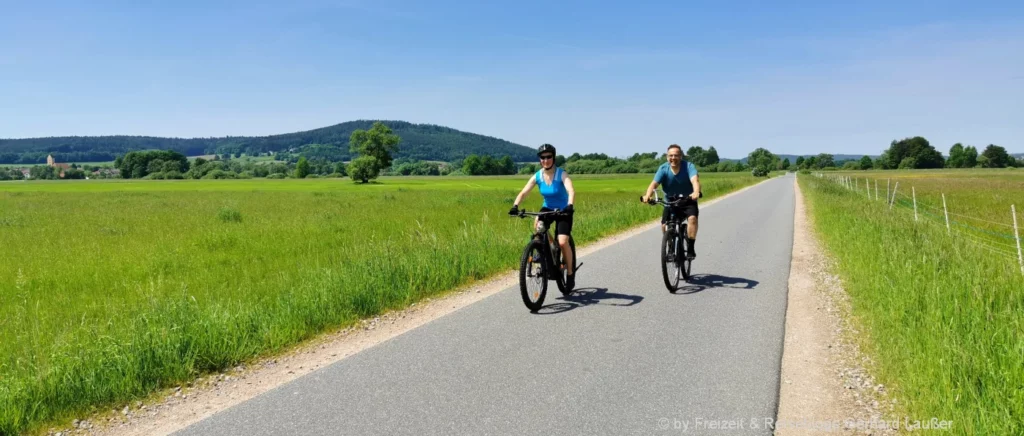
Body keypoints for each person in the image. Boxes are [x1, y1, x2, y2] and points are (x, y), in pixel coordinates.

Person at [509, 144, 577, 289]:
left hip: (564, 210)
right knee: (538, 226)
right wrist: (515, 206)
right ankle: (545, 248)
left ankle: (570, 273)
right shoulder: (538, 176)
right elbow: (524, 192)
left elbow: (571, 190)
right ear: (540, 160)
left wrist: (570, 205)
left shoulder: (561, 174)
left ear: (553, 158)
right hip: (548, 208)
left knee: (563, 242)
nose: (546, 160)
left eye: (548, 157)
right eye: (543, 157)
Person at [642, 144, 702, 259]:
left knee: (692, 219)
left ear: (681, 156)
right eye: (671, 155)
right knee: (665, 225)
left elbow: (695, 180)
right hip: (670, 201)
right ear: (667, 157)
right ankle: (670, 246)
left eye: (676, 155)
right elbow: (654, 184)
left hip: (688, 199)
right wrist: (647, 195)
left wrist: (695, 192)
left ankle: (690, 248)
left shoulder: (689, 166)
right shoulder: (663, 168)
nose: (673, 158)